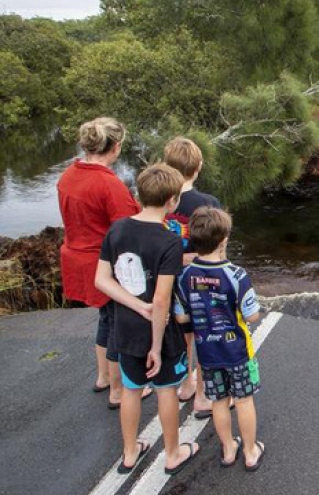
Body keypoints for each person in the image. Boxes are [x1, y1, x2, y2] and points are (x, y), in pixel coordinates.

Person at [95, 163, 199, 475]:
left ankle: (129, 452)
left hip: (124, 328)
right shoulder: (168, 241)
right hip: (159, 332)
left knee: (131, 388)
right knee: (166, 389)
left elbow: (102, 279)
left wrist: (133, 306)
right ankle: (172, 453)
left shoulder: (117, 229)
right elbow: (161, 300)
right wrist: (155, 344)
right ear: (172, 201)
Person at [57, 117, 147, 408]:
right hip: (104, 264)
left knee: (106, 319)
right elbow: (125, 230)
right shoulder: (108, 184)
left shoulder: (68, 175)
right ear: (115, 147)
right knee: (118, 322)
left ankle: (103, 377)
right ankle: (118, 389)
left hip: (77, 257)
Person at [174, 207, 265, 471]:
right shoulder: (236, 275)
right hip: (237, 351)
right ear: (224, 239)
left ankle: (228, 448)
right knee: (245, 400)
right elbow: (252, 316)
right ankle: (250, 451)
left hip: (207, 354)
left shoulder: (185, 277)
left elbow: (181, 318)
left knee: (218, 401)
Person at [161, 137, 222, 418]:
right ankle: (202, 395)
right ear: (198, 167)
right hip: (199, 282)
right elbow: (217, 246)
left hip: (169, 282)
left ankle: (185, 384)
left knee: (182, 333)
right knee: (203, 334)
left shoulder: (160, 202)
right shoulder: (207, 202)